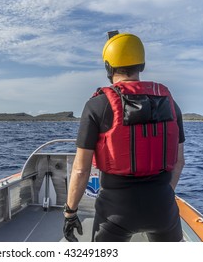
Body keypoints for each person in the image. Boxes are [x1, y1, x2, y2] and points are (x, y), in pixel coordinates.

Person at [63, 31, 185, 242]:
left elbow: (81, 169)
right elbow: (179, 162)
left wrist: (70, 213)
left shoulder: (97, 105)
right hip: (163, 206)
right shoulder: (171, 104)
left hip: (116, 211)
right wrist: (162, 197)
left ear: (108, 67)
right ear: (142, 64)